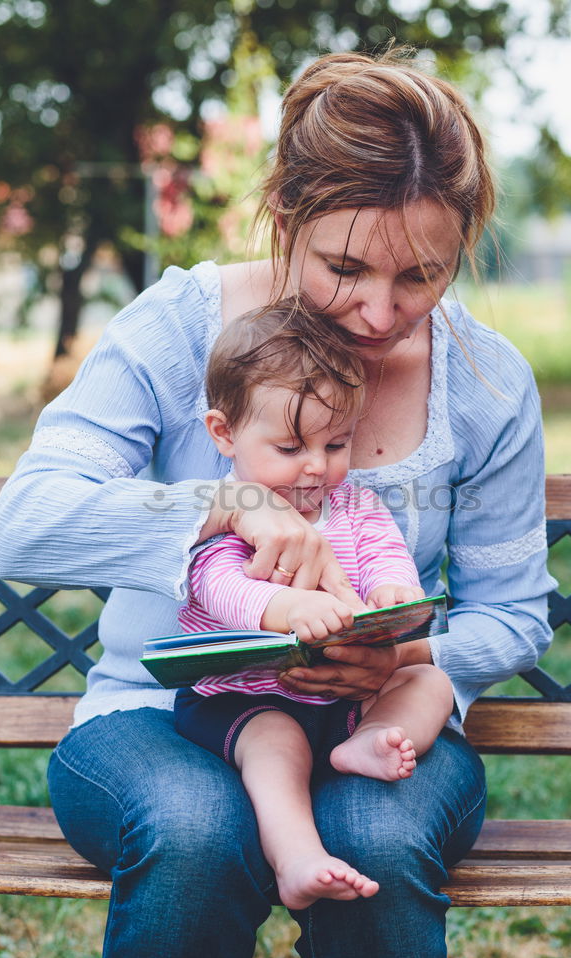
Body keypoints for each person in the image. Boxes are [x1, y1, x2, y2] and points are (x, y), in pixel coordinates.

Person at [0, 47, 556, 958]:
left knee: (375, 830)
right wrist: (227, 500)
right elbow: (25, 525)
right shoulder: (176, 330)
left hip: (372, 720)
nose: (382, 315)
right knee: (197, 829)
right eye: (344, 267)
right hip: (156, 717)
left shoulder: (487, 384)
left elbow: (512, 612)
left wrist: (406, 663)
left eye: (423, 275)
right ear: (285, 218)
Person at [173, 301, 455, 910]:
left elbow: (386, 560)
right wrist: (287, 607)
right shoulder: (227, 516)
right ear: (225, 433)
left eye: (335, 443)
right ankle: (297, 856)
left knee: (429, 682)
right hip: (248, 699)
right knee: (279, 746)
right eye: (290, 446)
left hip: (348, 699)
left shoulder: (356, 508)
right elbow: (220, 587)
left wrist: (394, 597)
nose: (315, 467)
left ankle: (377, 740)